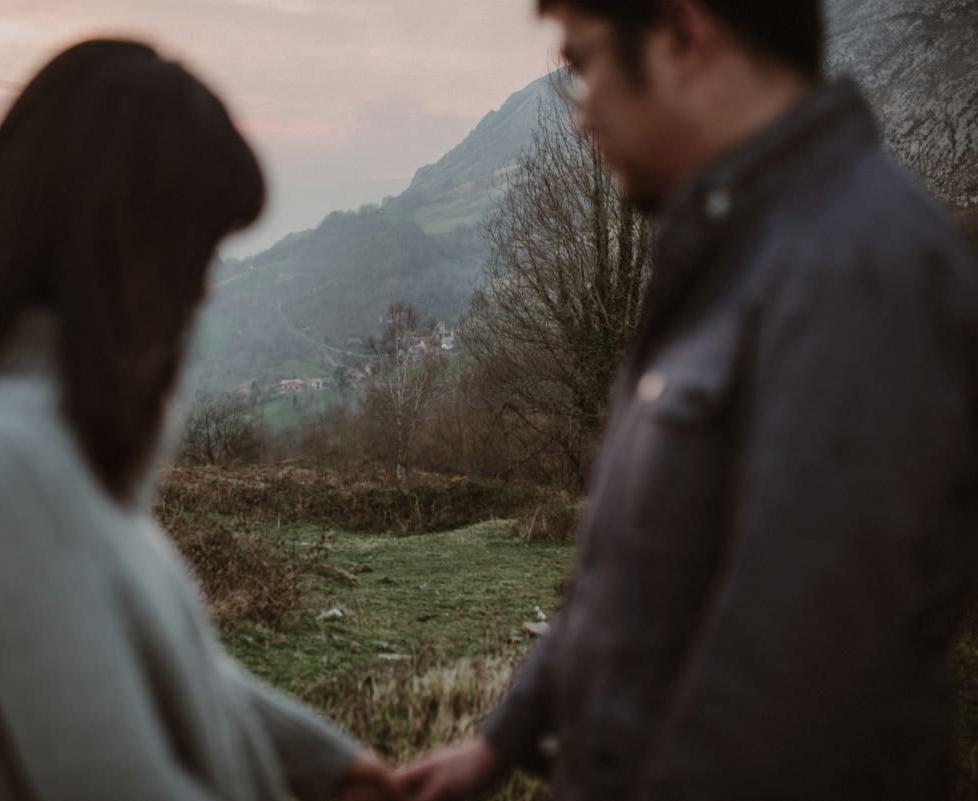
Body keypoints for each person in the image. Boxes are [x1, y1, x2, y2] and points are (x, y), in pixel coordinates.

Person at [398, 1, 978, 800]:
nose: (580, 117)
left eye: (583, 66)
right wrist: (501, 740)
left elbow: (792, 682)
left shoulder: (858, 270)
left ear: (682, 35)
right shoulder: (733, 250)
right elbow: (629, 567)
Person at [0, 40, 398, 801]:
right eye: (194, 249)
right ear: (115, 238)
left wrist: (331, 766)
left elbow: (175, 673)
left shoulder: (59, 449)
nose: (203, 290)